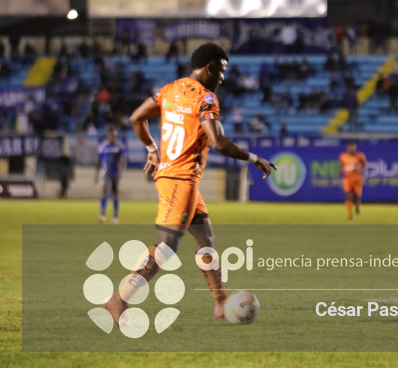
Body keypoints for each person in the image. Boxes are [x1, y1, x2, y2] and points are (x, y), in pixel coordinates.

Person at [103, 43, 275, 324]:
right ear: (209, 67)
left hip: (180, 178)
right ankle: (118, 300)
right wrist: (254, 158)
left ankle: (221, 303)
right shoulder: (206, 99)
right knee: (166, 247)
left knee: (205, 239)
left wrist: (151, 148)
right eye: (220, 71)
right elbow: (218, 142)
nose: (222, 78)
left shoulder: (169, 90)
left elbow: (137, 117)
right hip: (180, 179)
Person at [95, 127, 127, 223]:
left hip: (115, 172)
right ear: (108, 135)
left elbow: (122, 160)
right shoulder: (103, 146)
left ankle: (115, 216)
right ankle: (103, 214)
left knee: (115, 193)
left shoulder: (119, 146)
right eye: (111, 135)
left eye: (114, 135)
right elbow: (99, 161)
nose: (112, 136)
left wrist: (121, 171)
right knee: (104, 190)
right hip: (105, 172)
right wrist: (96, 174)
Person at [339, 141, 367, 219]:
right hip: (347, 179)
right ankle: (350, 214)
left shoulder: (360, 156)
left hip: (357, 179)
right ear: (347, 147)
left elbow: (365, 166)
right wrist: (340, 171)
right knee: (348, 195)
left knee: (357, 197)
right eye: (350, 147)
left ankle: (357, 207)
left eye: (353, 147)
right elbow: (342, 166)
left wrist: (360, 170)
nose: (352, 148)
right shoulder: (343, 156)